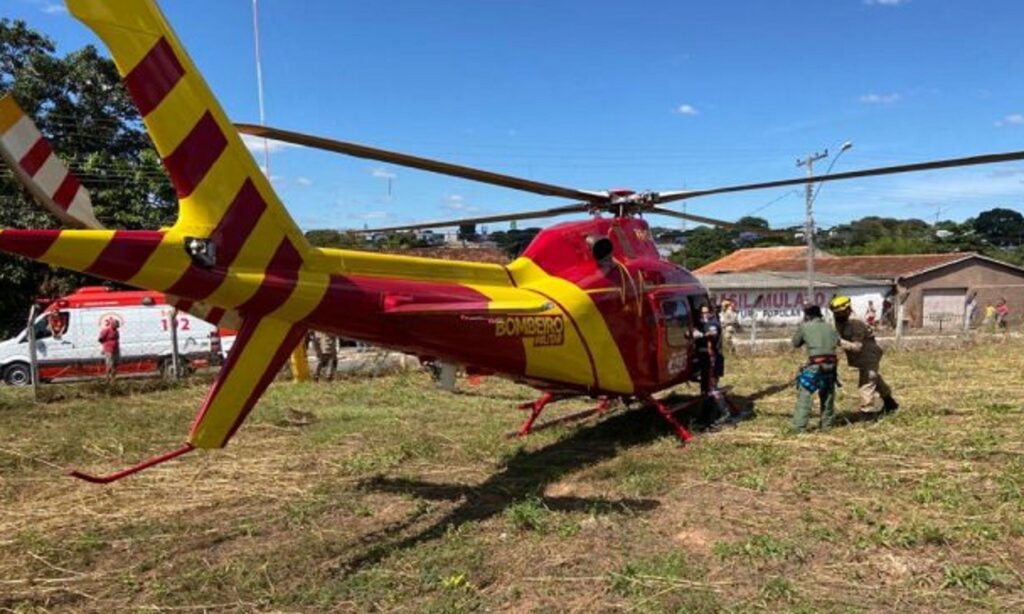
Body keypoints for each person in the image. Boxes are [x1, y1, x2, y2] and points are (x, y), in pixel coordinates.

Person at [829, 295, 899, 414]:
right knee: (874, 378)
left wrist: (837, 341)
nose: (837, 316)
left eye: (840, 313)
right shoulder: (839, 321)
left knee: (867, 381)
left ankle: (868, 412)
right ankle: (889, 401)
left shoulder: (856, 323)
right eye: (835, 313)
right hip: (858, 356)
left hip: (868, 352)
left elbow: (857, 346)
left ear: (847, 310)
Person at [790, 305, 839, 432]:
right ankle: (827, 426)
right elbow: (836, 341)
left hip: (815, 366)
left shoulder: (805, 326)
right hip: (831, 365)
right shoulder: (830, 327)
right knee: (827, 395)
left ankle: (799, 427)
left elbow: (795, 343)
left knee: (805, 395)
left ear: (807, 315)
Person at [692, 303, 732, 427]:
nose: (704, 315)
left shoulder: (713, 323)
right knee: (705, 389)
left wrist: (701, 334)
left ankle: (725, 413)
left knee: (712, 387)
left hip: (712, 359)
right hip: (703, 359)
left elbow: (711, 333)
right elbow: (688, 334)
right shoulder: (699, 323)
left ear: (710, 313)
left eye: (706, 313)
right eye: (702, 313)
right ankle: (706, 416)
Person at [98, 318, 120, 382]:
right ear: (112, 324)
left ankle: (113, 378)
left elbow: (117, 339)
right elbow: (100, 339)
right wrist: (104, 348)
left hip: (116, 349)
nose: (117, 326)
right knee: (110, 365)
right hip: (108, 350)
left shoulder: (116, 331)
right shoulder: (106, 330)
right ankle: (107, 378)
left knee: (115, 364)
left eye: (118, 325)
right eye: (116, 325)